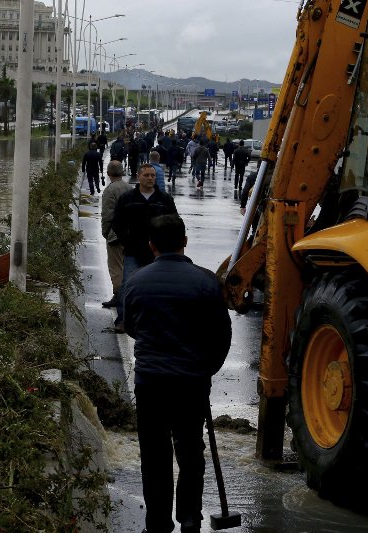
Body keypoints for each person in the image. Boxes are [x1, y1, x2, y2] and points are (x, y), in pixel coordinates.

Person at [123, 214, 232, 533]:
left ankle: (157, 523)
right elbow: (221, 336)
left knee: (155, 455)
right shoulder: (207, 282)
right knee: (190, 452)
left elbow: (131, 326)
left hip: (151, 382)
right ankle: (189, 518)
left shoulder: (136, 282)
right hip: (191, 383)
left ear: (151, 245)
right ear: (185, 241)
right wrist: (206, 369)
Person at [111, 164, 178, 333]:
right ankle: (123, 320)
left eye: (153, 176)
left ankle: (155, 320)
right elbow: (117, 222)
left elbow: (174, 222)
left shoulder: (164, 199)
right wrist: (125, 240)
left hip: (158, 252)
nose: (150, 178)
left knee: (159, 286)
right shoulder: (128, 198)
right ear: (138, 176)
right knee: (127, 285)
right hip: (133, 250)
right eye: (147, 175)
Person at [100, 160, 132, 308]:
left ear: (108, 173)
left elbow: (107, 215)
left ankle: (118, 295)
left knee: (115, 266)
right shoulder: (130, 188)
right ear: (122, 172)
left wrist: (106, 233)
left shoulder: (110, 190)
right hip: (131, 233)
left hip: (115, 234)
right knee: (128, 265)